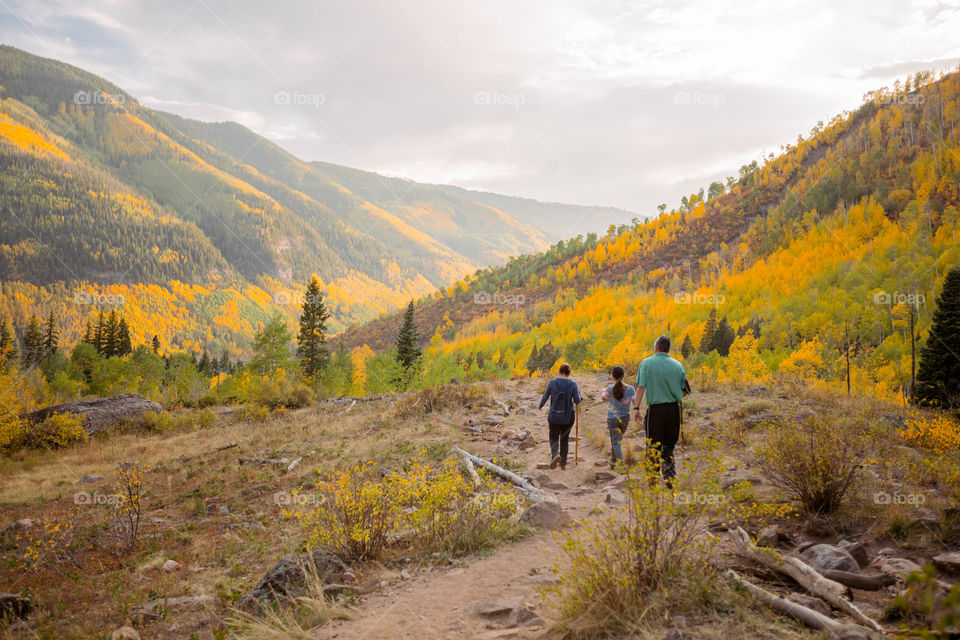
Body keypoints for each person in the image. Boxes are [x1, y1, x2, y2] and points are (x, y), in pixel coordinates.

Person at [633, 336, 688, 483]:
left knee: (653, 446)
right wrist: (673, 394)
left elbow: (640, 388)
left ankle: (653, 482)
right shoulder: (678, 365)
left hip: (656, 411)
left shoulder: (647, 363)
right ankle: (670, 479)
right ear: (667, 348)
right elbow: (685, 390)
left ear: (656, 347)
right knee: (669, 446)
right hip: (673, 410)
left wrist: (636, 408)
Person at [539, 362, 581, 470]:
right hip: (568, 417)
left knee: (553, 437)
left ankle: (555, 455)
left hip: (554, 416)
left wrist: (540, 406)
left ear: (559, 371)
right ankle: (563, 463)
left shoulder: (552, 383)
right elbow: (577, 400)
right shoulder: (573, 384)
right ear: (569, 372)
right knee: (564, 439)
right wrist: (580, 397)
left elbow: (545, 396)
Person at [601, 365, 635, 465]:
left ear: (613, 376)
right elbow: (635, 402)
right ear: (623, 375)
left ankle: (620, 464)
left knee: (615, 441)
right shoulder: (630, 388)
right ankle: (614, 462)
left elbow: (604, 398)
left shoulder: (610, 388)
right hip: (625, 419)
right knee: (617, 440)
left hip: (613, 418)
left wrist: (603, 391)